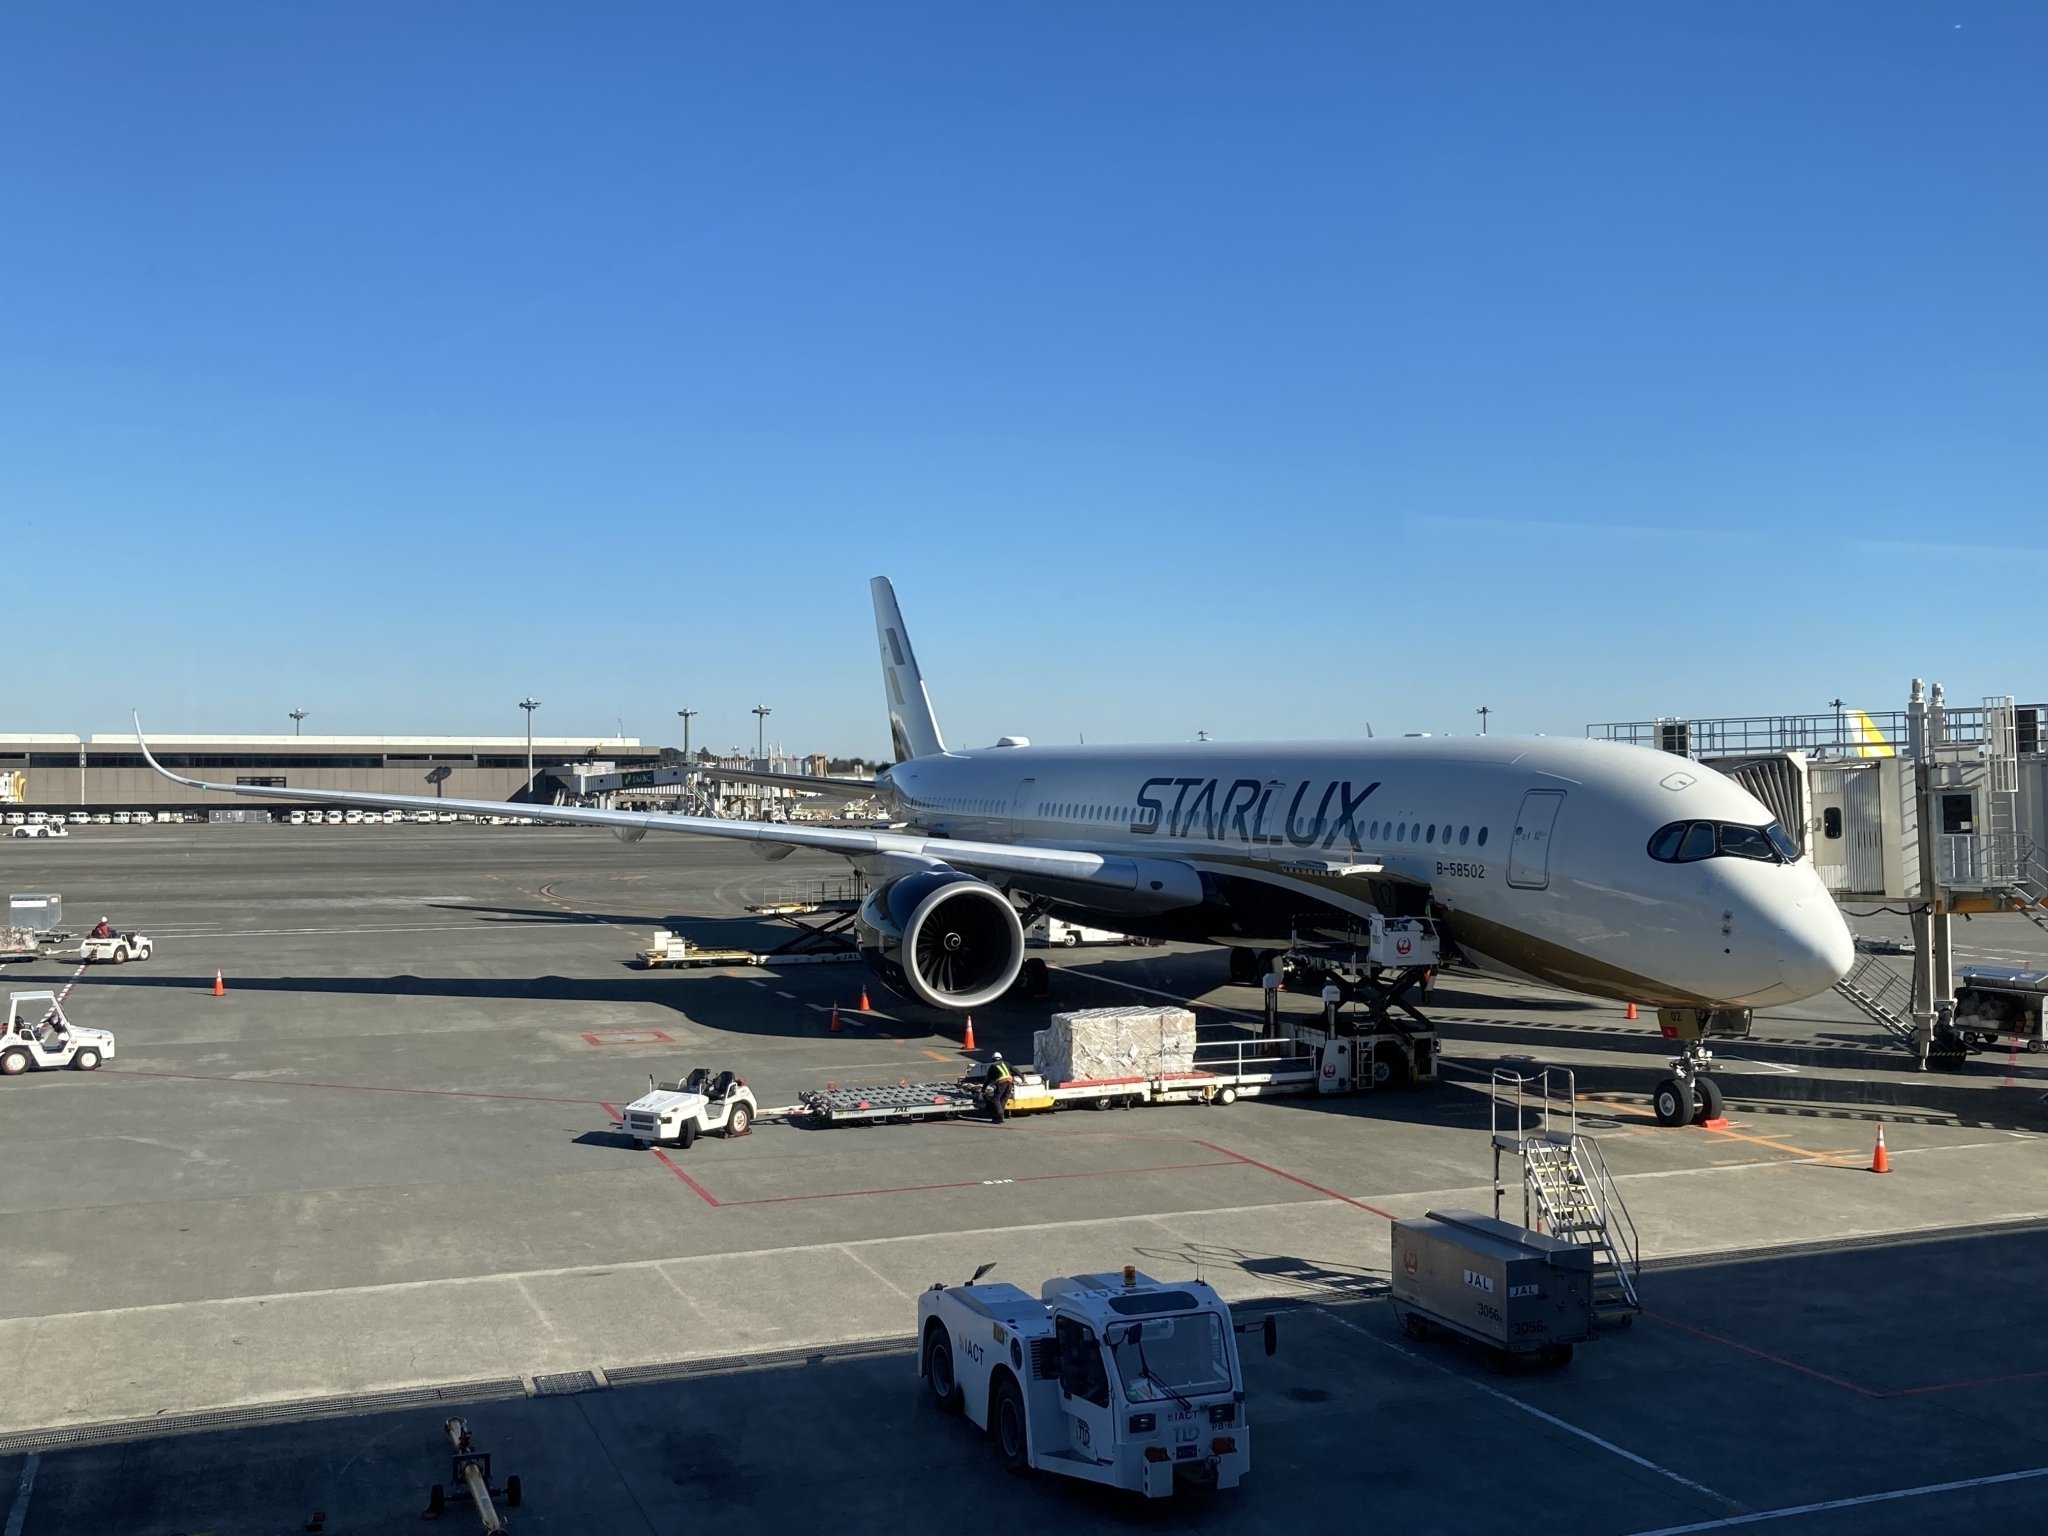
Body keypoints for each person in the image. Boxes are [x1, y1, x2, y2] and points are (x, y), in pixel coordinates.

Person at [987, 1051, 1015, 1125]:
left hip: (1002, 1084)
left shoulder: (992, 1066)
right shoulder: (1006, 1063)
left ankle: (1000, 1114)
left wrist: (983, 1090)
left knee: (996, 1099)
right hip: (1010, 1083)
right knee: (1003, 1099)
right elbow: (1015, 1070)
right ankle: (999, 1117)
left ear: (993, 1059)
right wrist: (1023, 1078)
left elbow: (988, 1080)